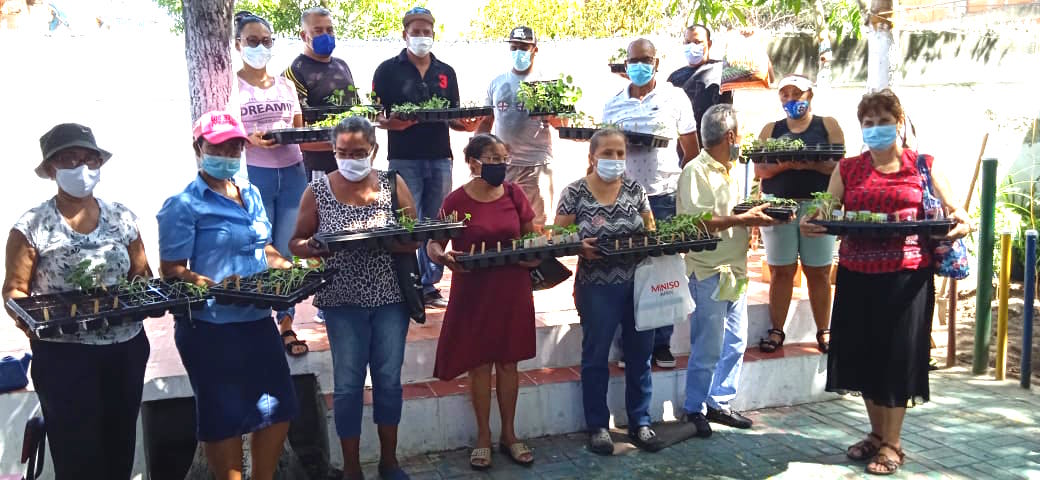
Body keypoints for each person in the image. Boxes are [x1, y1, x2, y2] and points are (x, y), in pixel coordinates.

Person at [800, 89, 970, 476]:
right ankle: (876, 435)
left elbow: (958, 212)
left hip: (907, 278)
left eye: (882, 121)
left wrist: (961, 224)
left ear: (899, 122)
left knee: (897, 358)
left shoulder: (922, 165)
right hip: (857, 275)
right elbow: (827, 210)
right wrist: (814, 222)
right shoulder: (848, 169)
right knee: (863, 354)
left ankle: (893, 443)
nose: (876, 129)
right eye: (869, 123)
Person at [2, 123, 151, 479]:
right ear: (51, 169)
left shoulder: (122, 216)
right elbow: (15, 289)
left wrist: (136, 297)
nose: (80, 168)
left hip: (125, 347)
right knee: (76, 454)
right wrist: (31, 324)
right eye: (69, 160)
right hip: (64, 354)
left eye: (88, 159)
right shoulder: (33, 224)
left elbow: (141, 274)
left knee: (119, 446)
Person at [157, 111, 299, 480]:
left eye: (235, 145)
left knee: (277, 408)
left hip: (256, 318)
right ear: (198, 148)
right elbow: (171, 269)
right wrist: (206, 283)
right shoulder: (183, 205)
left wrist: (284, 266)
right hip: (210, 327)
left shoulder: (249, 192)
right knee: (223, 419)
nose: (229, 152)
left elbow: (262, 246)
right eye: (218, 146)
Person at [289, 117, 416, 480]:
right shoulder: (319, 189)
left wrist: (394, 240)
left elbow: (416, 234)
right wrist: (313, 247)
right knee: (347, 385)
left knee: (389, 380)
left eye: (359, 153)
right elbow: (296, 241)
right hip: (341, 301)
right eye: (343, 152)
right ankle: (352, 468)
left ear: (374, 150)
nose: (351, 159)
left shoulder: (393, 183)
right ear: (333, 151)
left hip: (390, 297)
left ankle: (389, 462)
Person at [427, 134, 538, 470]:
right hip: (474, 289)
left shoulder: (515, 194)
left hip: (511, 287)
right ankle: (482, 438)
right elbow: (435, 242)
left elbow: (530, 236)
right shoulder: (455, 200)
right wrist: (442, 257)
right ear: (473, 162)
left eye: (503, 157)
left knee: (509, 363)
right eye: (492, 158)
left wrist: (533, 256)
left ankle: (509, 434)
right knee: (479, 364)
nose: (499, 164)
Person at [555, 128, 663, 455]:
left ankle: (640, 421)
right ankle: (598, 426)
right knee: (595, 357)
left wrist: (646, 243)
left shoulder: (635, 190)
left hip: (638, 285)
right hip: (596, 287)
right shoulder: (574, 192)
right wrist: (577, 246)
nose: (616, 159)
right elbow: (557, 237)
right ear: (592, 157)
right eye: (608, 153)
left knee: (639, 355)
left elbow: (651, 230)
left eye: (620, 153)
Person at [678, 104, 778, 438]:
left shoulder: (734, 169)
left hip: (734, 268)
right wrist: (743, 220)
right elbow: (697, 222)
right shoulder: (695, 171)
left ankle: (720, 401)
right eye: (741, 134)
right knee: (708, 344)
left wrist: (756, 215)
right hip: (708, 269)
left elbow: (742, 209)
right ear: (731, 136)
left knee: (735, 341)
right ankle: (694, 408)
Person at [372, 6, 480, 309]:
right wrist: (393, 123)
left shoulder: (446, 72)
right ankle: (408, 283)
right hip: (403, 158)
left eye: (426, 31)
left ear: (434, 33)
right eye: (416, 32)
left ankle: (430, 285)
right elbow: (377, 117)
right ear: (404, 34)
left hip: (439, 157)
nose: (422, 37)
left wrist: (466, 124)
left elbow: (454, 117)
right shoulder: (387, 70)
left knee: (436, 223)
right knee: (407, 223)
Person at [603, 37, 699, 369]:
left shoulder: (675, 97)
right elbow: (604, 150)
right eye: (633, 60)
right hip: (624, 199)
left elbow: (691, 149)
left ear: (657, 62)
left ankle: (661, 344)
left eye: (645, 59)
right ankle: (629, 346)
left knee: (665, 269)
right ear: (626, 64)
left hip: (663, 196)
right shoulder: (613, 104)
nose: (639, 65)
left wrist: (683, 190)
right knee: (627, 272)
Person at [234, 11, 312, 355]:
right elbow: (225, 133)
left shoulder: (285, 83)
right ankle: (259, 322)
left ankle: (286, 323)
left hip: (293, 171)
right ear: (238, 44)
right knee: (259, 248)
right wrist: (247, 138)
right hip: (255, 173)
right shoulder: (230, 85)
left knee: (286, 248)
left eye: (266, 41)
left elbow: (298, 124)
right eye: (252, 40)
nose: (260, 46)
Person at [753, 74, 845, 354]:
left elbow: (840, 165)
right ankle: (777, 329)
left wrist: (811, 166)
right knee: (782, 271)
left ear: (809, 96)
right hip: (780, 206)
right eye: (785, 95)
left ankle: (823, 330)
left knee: (818, 271)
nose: (791, 100)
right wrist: (786, 166)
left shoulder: (827, 125)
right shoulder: (771, 129)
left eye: (797, 94)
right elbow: (760, 169)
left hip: (818, 206)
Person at [476, 26, 565, 229]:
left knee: (538, 223)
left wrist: (552, 114)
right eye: (514, 47)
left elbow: (562, 125)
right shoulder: (497, 83)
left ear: (535, 49)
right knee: (504, 220)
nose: (519, 52)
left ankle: (539, 260)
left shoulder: (546, 84)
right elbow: (486, 121)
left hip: (537, 166)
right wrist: (476, 151)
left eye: (524, 47)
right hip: (503, 165)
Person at [284, 6, 360, 181]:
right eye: (318, 30)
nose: (326, 35)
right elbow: (297, 134)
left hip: (351, 162)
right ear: (304, 35)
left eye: (330, 30)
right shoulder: (295, 71)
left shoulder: (342, 65)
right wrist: (339, 144)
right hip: (317, 166)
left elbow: (356, 110)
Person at [666, 24, 733, 148]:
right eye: (688, 42)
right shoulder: (674, 77)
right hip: (683, 149)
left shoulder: (723, 70)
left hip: (716, 148)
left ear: (709, 43)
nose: (692, 46)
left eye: (697, 42)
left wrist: (749, 41)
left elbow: (761, 73)